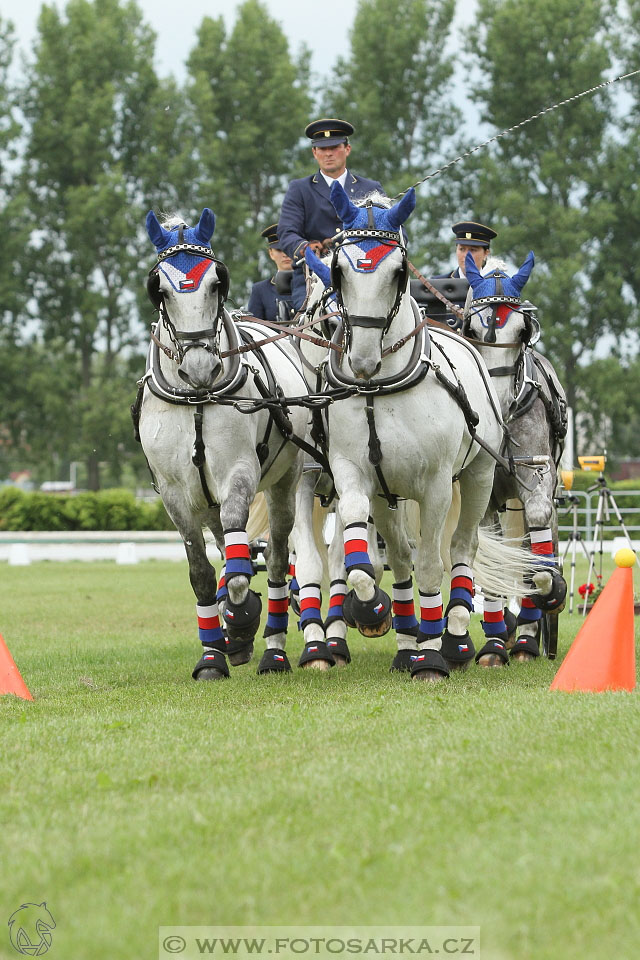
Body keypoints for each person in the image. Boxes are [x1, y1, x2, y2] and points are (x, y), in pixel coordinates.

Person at [278, 118, 384, 311]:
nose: (328, 153)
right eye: (322, 149)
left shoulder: (370, 189)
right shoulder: (300, 189)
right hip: (314, 276)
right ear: (314, 152)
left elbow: (393, 232)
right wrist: (305, 248)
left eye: (334, 147)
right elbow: (287, 232)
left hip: (365, 274)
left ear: (347, 149)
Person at [416, 220, 498, 328]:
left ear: (486, 253)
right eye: (462, 249)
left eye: (473, 250)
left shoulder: (497, 286)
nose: (466, 255)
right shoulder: (437, 285)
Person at [247, 223, 295, 322]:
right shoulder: (260, 290)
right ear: (271, 253)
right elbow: (254, 331)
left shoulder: (312, 285)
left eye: (288, 248)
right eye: (279, 250)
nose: (285, 254)